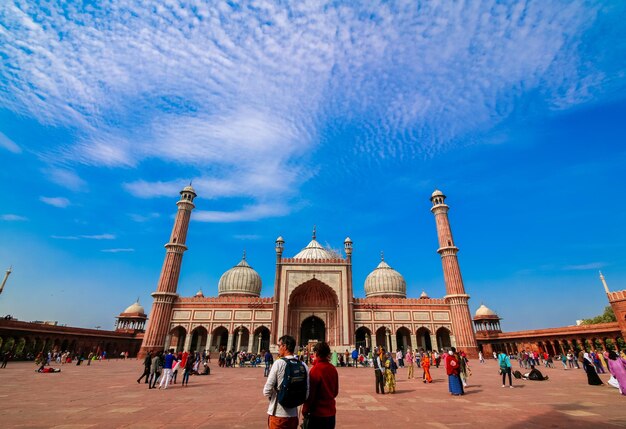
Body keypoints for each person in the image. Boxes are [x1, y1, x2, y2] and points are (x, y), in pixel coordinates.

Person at [263, 335, 309, 429]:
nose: (278, 348)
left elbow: (266, 391)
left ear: (284, 346)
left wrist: (276, 395)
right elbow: (306, 393)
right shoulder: (303, 365)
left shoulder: (279, 363)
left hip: (278, 415)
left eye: (279, 345)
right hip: (293, 415)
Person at [302, 342, 338, 429]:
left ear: (317, 353)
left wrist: (305, 410)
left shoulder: (315, 370)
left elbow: (311, 395)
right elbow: (335, 392)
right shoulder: (333, 369)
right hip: (331, 413)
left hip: (317, 415)